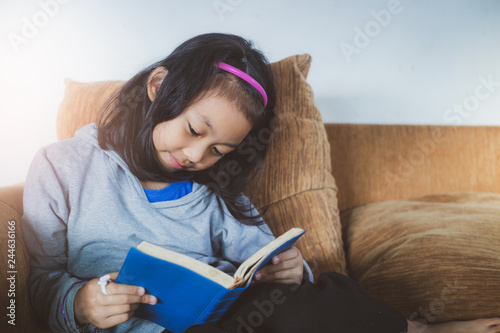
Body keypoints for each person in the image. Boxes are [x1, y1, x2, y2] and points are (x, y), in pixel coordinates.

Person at [21, 33, 500, 333]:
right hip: (126, 325)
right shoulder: (63, 167)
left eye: (218, 151)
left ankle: (419, 330)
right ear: (158, 87)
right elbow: (34, 282)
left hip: (229, 321)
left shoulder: (212, 191)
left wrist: (289, 270)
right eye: (193, 130)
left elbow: (262, 257)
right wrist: (80, 304)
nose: (195, 157)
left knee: (319, 293)